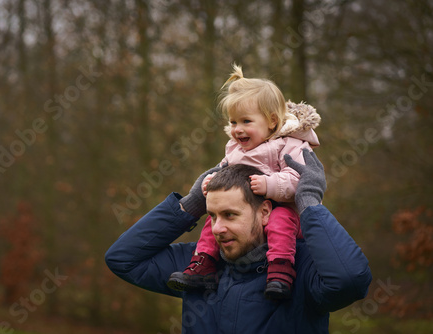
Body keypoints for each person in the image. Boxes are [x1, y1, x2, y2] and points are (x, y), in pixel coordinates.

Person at [105, 150, 372, 333]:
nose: (218, 228)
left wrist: (309, 204)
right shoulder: (197, 268)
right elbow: (123, 258)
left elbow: (350, 279)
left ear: (265, 211)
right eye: (211, 216)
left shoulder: (301, 267)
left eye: (230, 215)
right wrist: (189, 206)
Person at [167, 64, 321, 299]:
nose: (237, 130)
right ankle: (204, 265)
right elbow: (224, 172)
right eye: (233, 122)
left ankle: (281, 270)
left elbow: (298, 179)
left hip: (284, 211)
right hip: (246, 214)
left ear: (271, 121)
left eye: (246, 121)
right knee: (214, 223)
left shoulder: (290, 144)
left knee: (280, 222)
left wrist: (270, 185)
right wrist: (211, 184)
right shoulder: (235, 149)